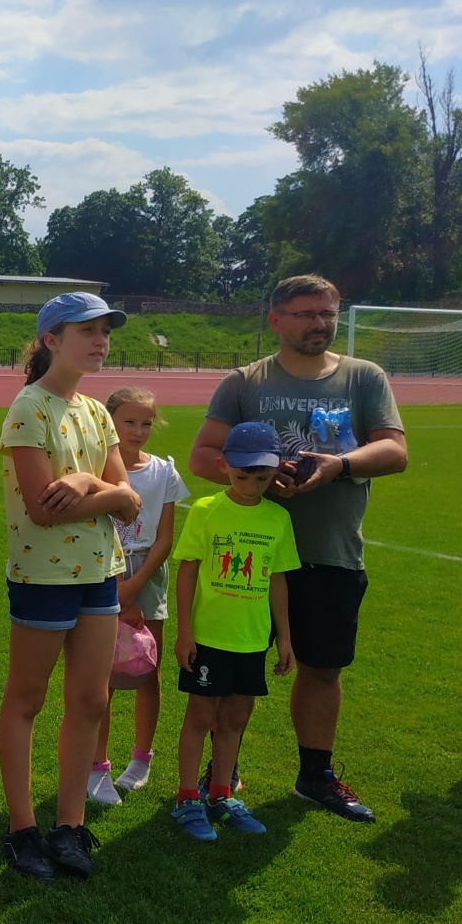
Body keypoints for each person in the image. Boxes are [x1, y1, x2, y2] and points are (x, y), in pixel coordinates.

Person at [189, 274, 407, 822]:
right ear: (276, 320)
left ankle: (315, 776)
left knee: (323, 668)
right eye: (307, 313)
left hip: (332, 551)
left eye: (328, 313)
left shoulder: (364, 377)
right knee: (232, 666)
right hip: (250, 556)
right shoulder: (245, 382)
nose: (320, 323)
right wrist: (259, 482)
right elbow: (204, 454)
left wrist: (339, 465)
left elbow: (394, 451)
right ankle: (221, 772)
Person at [0, 293, 140, 881]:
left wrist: (83, 481)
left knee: (91, 701)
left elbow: (129, 501)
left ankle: (69, 825)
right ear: (52, 340)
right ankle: (22, 829)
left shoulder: (98, 412)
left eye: (106, 331)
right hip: (44, 577)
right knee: (27, 700)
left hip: (100, 573)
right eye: (88, 331)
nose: (101, 340)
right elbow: (42, 509)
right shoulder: (28, 407)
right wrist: (104, 491)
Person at [170, 422, 299, 840]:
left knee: (235, 719)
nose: (250, 486)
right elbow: (187, 570)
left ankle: (220, 795)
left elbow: (278, 579)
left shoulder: (278, 518)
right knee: (200, 717)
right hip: (209, 637)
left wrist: (284, 637)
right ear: (223, 465)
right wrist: (185, 631)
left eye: (262, 478)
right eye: (242, 476)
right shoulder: (206, 510)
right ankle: (187, 798)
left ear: (276, 470)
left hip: (252, 640)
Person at [90, 387, 190, 802]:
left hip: (146, 574)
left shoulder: (163, 472)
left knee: (147, 668)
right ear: (109, 421)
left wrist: (133, 586)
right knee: (102, 676)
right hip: (100, 570)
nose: (138, 430)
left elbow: (165, 538)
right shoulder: (93, 465)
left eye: (146, 423)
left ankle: (141, 759)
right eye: (128, 422)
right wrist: (118, 585)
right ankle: (97, 767)